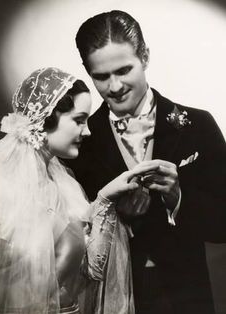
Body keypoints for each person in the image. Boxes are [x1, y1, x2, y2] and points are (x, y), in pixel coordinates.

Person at [67, 10, 226, 314]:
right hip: (111, 298)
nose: (114, 87)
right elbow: (64, 235)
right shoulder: (80, 140)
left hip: (187, 296)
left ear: (146, 58)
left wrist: (176, 199)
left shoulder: (198, 125)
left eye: (124, 70)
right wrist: (109, 213)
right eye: (101, 77)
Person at [0, 67, 151, 314]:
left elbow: (90, 270)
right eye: (79, 120)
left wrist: (105, 198)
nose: (87, 131)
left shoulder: (63, 184)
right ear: (46, 119)